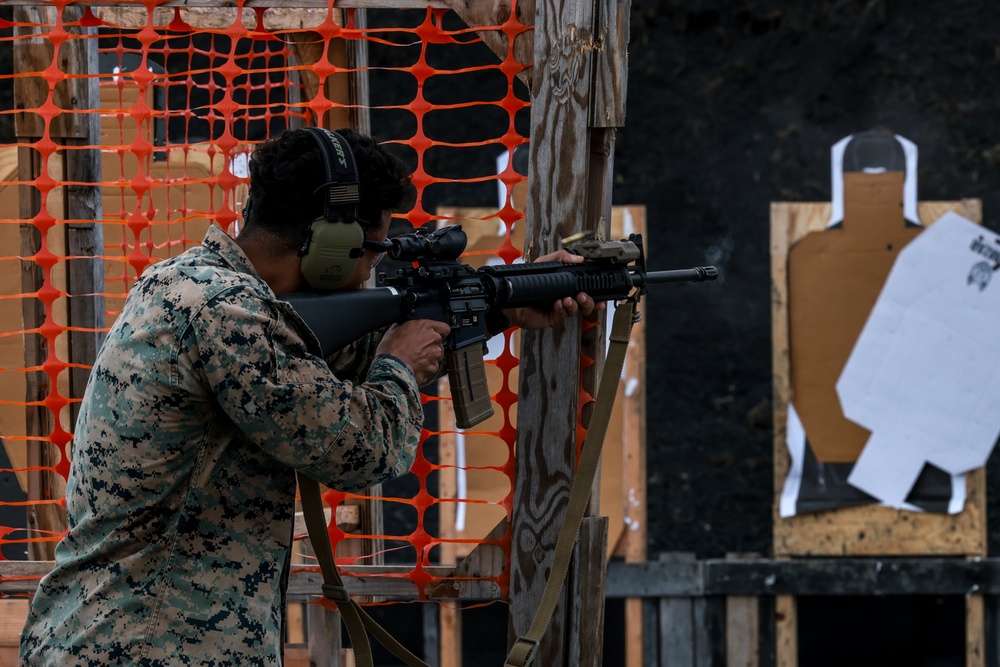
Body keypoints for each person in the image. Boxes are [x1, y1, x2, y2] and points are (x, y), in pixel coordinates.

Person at [20, 127, 598, 666]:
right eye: (373, 248)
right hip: (151, 643)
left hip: (128, 635)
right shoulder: (226, 314)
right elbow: (365, 449)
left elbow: (323, 367)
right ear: (331, 242)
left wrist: (501, 305)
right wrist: (399, 365)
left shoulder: (195, 287)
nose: (375, 265)